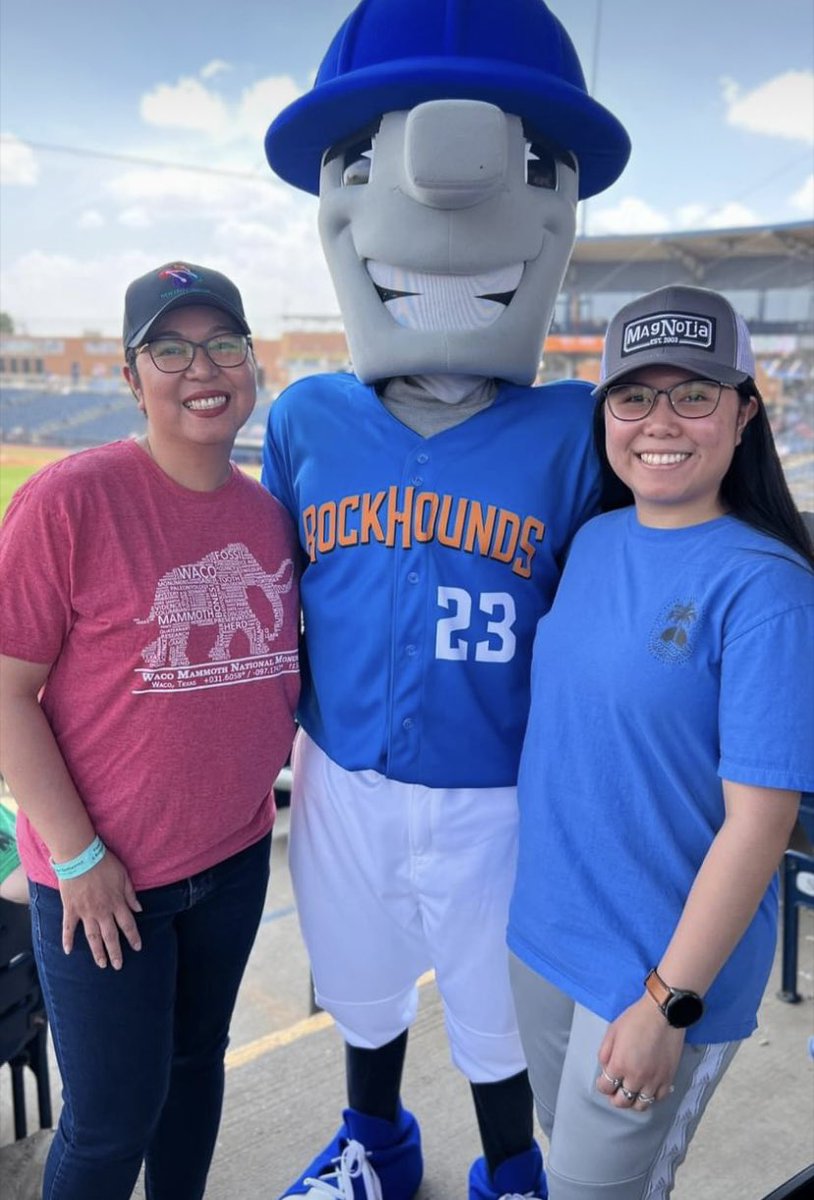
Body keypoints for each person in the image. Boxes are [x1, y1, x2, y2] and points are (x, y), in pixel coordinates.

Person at [260, 1, 630, 1196]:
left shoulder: (575, 427)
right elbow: (273, 593)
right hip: (341, 770)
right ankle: (375, 1146)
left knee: (493, 1008)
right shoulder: (309, 417)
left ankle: (510, 1171)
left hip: (501, 785)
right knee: (359, 977)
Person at [0, 261, 300, 1200]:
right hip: (108, 882)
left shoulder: (266, 517)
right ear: (132, 379)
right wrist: (81, 859)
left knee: (195, 1069)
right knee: (110, 1119)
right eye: (170, 348)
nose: (200, 366)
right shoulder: (69, 501)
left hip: (235, 859)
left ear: (250, 366)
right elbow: (6, 692)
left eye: (222, 344)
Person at [507, 284, 814, 1200]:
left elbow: (760, 826)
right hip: (543, 943)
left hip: (655, 976)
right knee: (574, 1170)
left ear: (745, 411)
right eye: (634, 397)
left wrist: (666, 1003)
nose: (659, 422)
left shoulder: (769, 589)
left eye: (695, 394)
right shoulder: (595, 541)